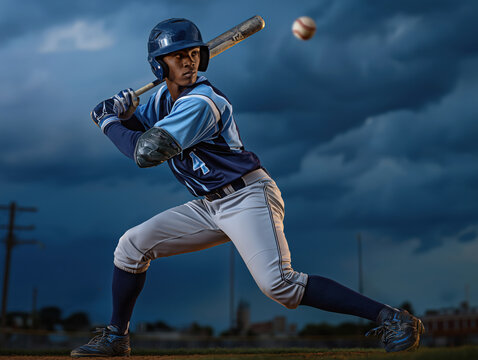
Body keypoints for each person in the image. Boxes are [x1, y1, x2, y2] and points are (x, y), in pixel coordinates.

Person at [70, 18, 424, 357]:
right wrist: (124, 111)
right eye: (179, 55)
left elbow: (146, 151)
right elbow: (140, 127)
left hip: (247, 197)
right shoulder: (164, 98)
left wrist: (108, 122)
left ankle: (392, 318)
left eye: (193, 53)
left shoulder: (203, 102)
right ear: (159, 66)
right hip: (209, 205)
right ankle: (117, 338)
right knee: (131, 246)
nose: (189, 61)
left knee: (280, 285)